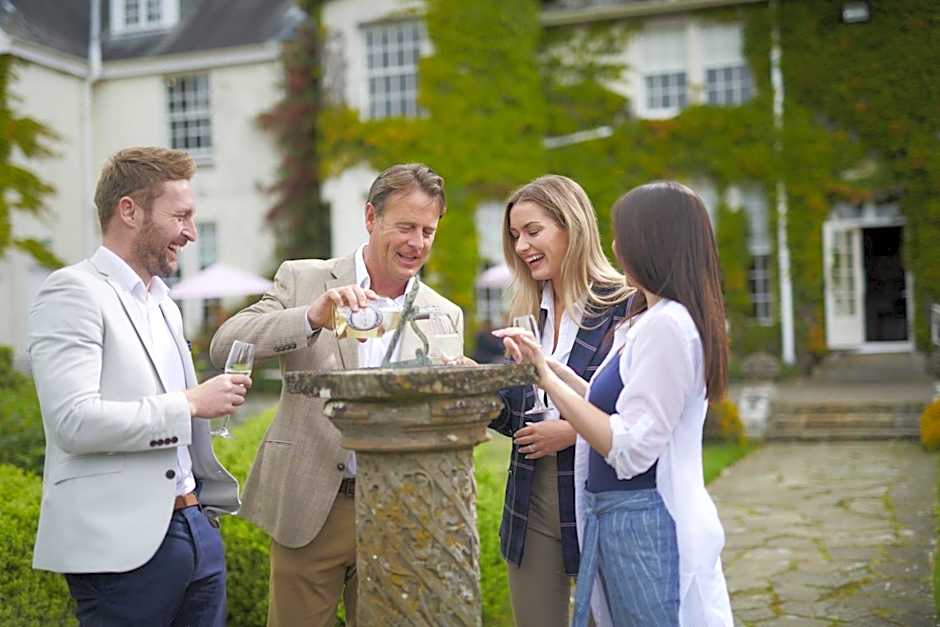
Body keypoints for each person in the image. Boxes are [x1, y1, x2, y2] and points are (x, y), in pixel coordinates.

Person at [210, 163, 463, 627]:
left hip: (400, 511)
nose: (417, 243)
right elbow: (227, 343)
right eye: (405, 226)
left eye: (428, 230)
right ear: (370, 218)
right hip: (312, 507)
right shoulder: (306, 279)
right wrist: (310, 317)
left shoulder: (444, 316)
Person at [496, 181, 734, 626]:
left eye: (624, 235)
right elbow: (617, 409)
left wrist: (546, 376)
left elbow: (630, 445)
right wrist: (542, 366)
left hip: (650, 521)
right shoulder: (656, 320)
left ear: (652, 245)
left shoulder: (662, 325)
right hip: (619, 516)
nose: (616, 245)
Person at [28, 146, 246, 626]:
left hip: (195, 528)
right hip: (120, 549)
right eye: (181, 216)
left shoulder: (165, 302)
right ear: (129, 210)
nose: (190, 232)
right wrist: (189, 403)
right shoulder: (73, 292)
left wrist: (202, 520)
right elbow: (73, 422)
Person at [487, 175, 632, 627]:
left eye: (533, 231)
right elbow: (516, 413)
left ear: (572, 227)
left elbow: (641, 410)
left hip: (595, 492)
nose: (522, 245)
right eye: (515, 236)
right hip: (530, 495)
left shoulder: (624, 305)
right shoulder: (528, 313)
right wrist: (474, 385)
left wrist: (569, 432)